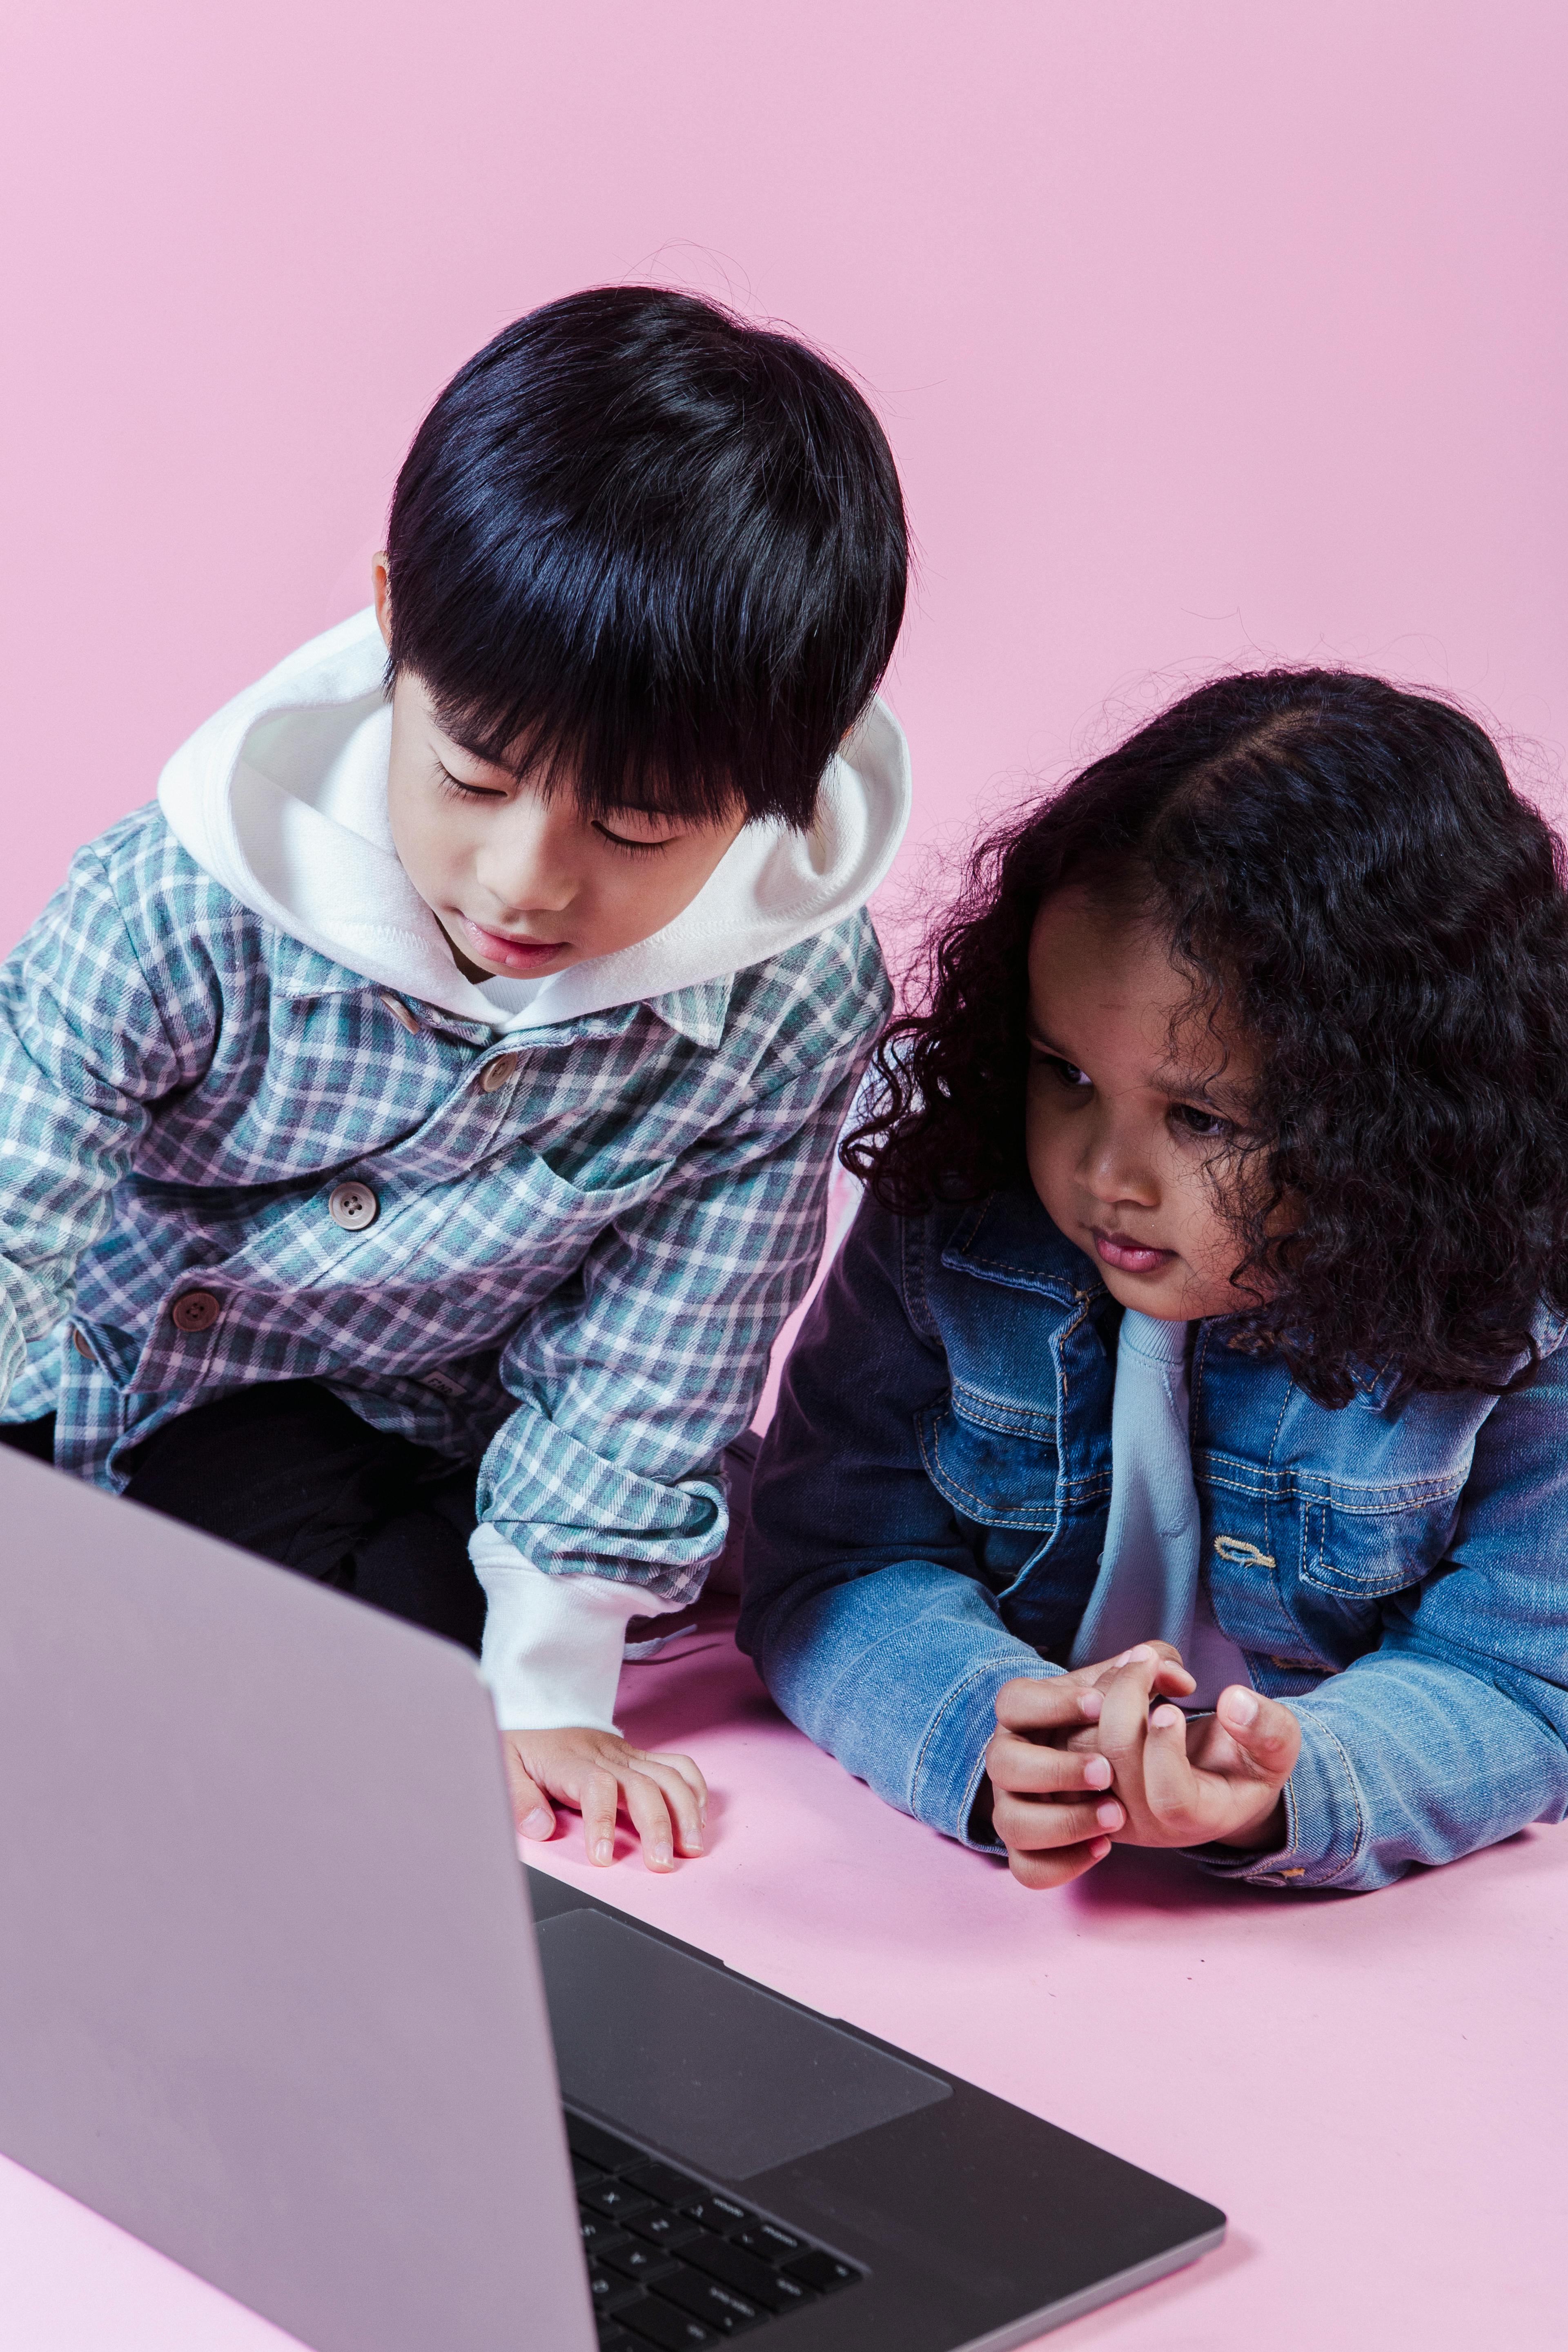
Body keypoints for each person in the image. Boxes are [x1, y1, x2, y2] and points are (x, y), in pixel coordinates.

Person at [0, 286, 910, 1872]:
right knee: (183, 1648)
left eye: (636, 831)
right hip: (160, 1402)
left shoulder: (794, 998)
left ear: (792, 774)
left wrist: (544, 1686)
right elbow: (21, 1204)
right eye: (473, 776)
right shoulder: (183, 902)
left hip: (469, 1437)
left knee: (417, 1698)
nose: (524, 881)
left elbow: (667, 1353)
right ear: (392, 628)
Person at [738, 670, 1568, 1895]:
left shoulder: (1516, 1305)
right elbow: (830, 1557)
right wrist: (986, 1737)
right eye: (1062, 1073)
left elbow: (1522, 1676)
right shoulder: (950, 1218)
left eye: (1202, 1118)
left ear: (1395, 1119)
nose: (1107, 1176)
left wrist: (1287, 1794)